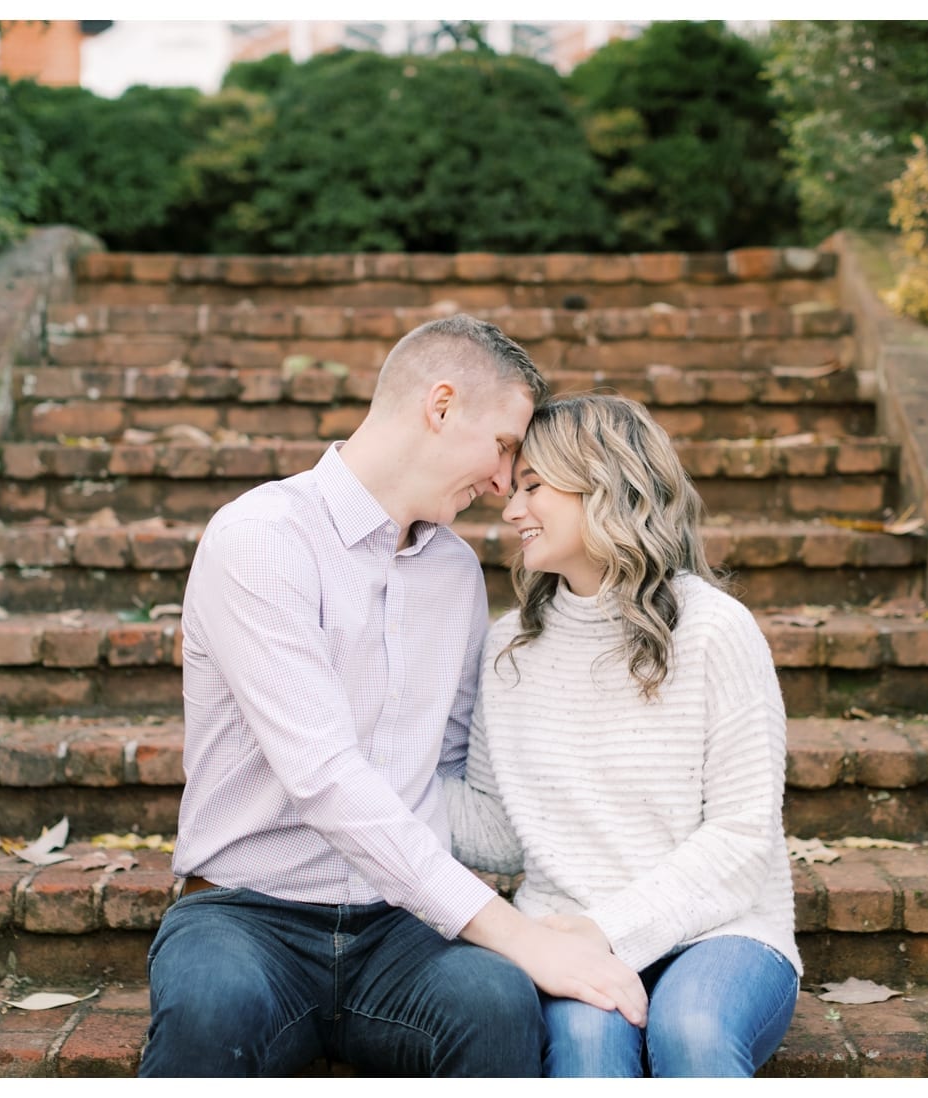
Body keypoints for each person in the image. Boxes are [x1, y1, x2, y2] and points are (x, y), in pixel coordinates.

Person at [139, 316, 649, 1078]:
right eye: (505, 446)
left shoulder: (453, 576)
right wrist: (518, 931)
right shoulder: (261, 538)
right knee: (212, 1008)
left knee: (494, 1002)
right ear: (440, 406)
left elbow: (447, 770)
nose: (505, 484)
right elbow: (324, 777)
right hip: (246, 913)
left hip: (401, 925)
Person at [445, 392, 802, 1078]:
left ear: (603, 484)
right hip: (567, 928)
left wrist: (609, 931)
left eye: (532, 487)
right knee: (588, 1052)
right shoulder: (510, 649)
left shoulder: (715, 631)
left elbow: (741, 838)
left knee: (692, 1032)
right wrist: (374, 778)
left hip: (724, 933)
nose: (511, 509)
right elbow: (497, 830)